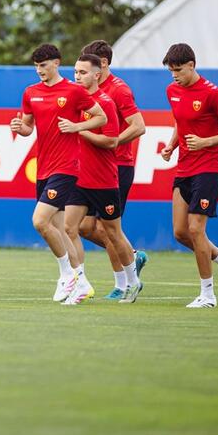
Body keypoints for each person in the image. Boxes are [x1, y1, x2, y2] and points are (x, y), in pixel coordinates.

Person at [10, 43, 107, 302]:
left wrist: (76, 126)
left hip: (66, 167)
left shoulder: (74, 91)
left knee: (40, 221)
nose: (39, 70)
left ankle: (66, 275)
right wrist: (19, 127)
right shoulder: (31, 92)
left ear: (56, 63)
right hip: (43, 168)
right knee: (61, 230)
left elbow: (101, 117)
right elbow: (28, 128)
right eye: (36, 66)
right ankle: (81, 282)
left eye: (43, 65)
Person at [160, 43, 218, 308]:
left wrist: (205, 142)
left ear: (192, 65)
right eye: (171, 71)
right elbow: (180, 121)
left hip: (209, 167)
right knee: (180, 232)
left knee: (196, 229)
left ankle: (208, 295)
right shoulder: (172, 90)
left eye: (178, 70)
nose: (174, 75)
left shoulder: (213, 94)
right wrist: (172, 145)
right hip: (184, 167)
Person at [61, 55, 142, 305]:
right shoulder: (74, 101)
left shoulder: (105, 103)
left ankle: (133, 281)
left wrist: (79, 129)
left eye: (83, 72)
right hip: (79, 178)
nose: (77, 76)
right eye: (76, 72)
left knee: (113, 233)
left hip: (104, 180)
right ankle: (80, 283)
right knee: (69, 228)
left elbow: (111, 141)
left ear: (97, 75)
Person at [79, 40, 148, 299]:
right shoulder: (85, 90)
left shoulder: (119, 90)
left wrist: (112, 141)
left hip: (117, 165)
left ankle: (122, 285)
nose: (82, 72)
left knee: (107, 227)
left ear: (103, 64)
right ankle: (132, 255)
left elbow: (139, 126)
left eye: (89, 65)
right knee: (84, 226)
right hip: (90, 167)